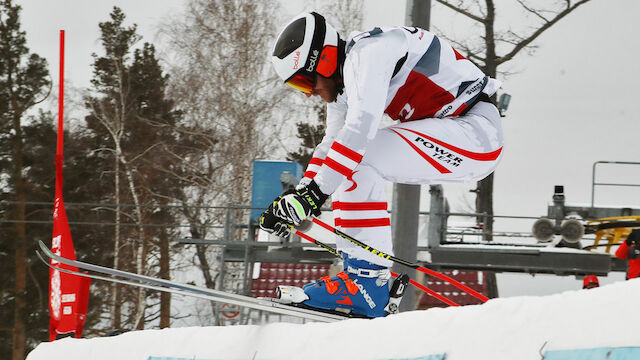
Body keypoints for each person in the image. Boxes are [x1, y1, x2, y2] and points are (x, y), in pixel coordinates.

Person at [259, 12, 504, 317]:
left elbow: (360, 131)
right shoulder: (346, 85)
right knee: (349, 158)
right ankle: (365, 281)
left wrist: (313, 196)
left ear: (324, 60)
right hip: (461, 134)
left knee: (356, 158)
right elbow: (331, 145)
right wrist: (299, 196)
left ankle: (365, 283)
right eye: (299, 88)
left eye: (306, 82)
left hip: (476, 132)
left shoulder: (368, 55)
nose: (312, 93)